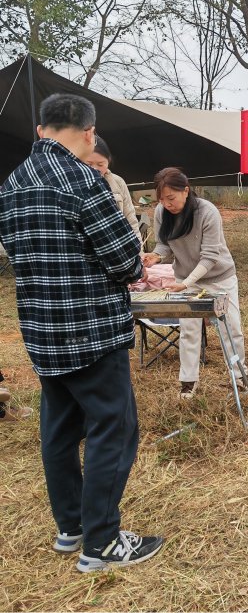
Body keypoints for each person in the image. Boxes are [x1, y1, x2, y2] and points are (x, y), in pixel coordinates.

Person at [0, 93, 164, 572]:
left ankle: (71, 527)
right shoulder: (83, 181)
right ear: (90, 133)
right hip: (91, 332)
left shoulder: (12, 183)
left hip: (42, 332)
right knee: (114, 429)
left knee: (59, 430)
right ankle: (103, 543)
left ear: (40, 130)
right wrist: (134, 264)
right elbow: (124, 259)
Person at [142, 167, 248, 399]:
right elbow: (164, 245)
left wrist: (186, 283)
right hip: (185, 279)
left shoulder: (207, 212)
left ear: (186, 191)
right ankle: (188, 383)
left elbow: (210, 257)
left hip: (219, 278)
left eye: (171, 198)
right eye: (162, 199)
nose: (166, 204)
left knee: (231, 328)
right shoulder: (160, 212)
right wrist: (155, 256)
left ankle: (240, 379)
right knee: (189, 330)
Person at [85, 135, 143, 249]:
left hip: (117, 247)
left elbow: (130, 219)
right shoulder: (74, 184)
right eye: (89, 164)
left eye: (100, 164)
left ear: (108, 161)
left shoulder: (118, 182)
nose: (95, 169)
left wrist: (138, 251)